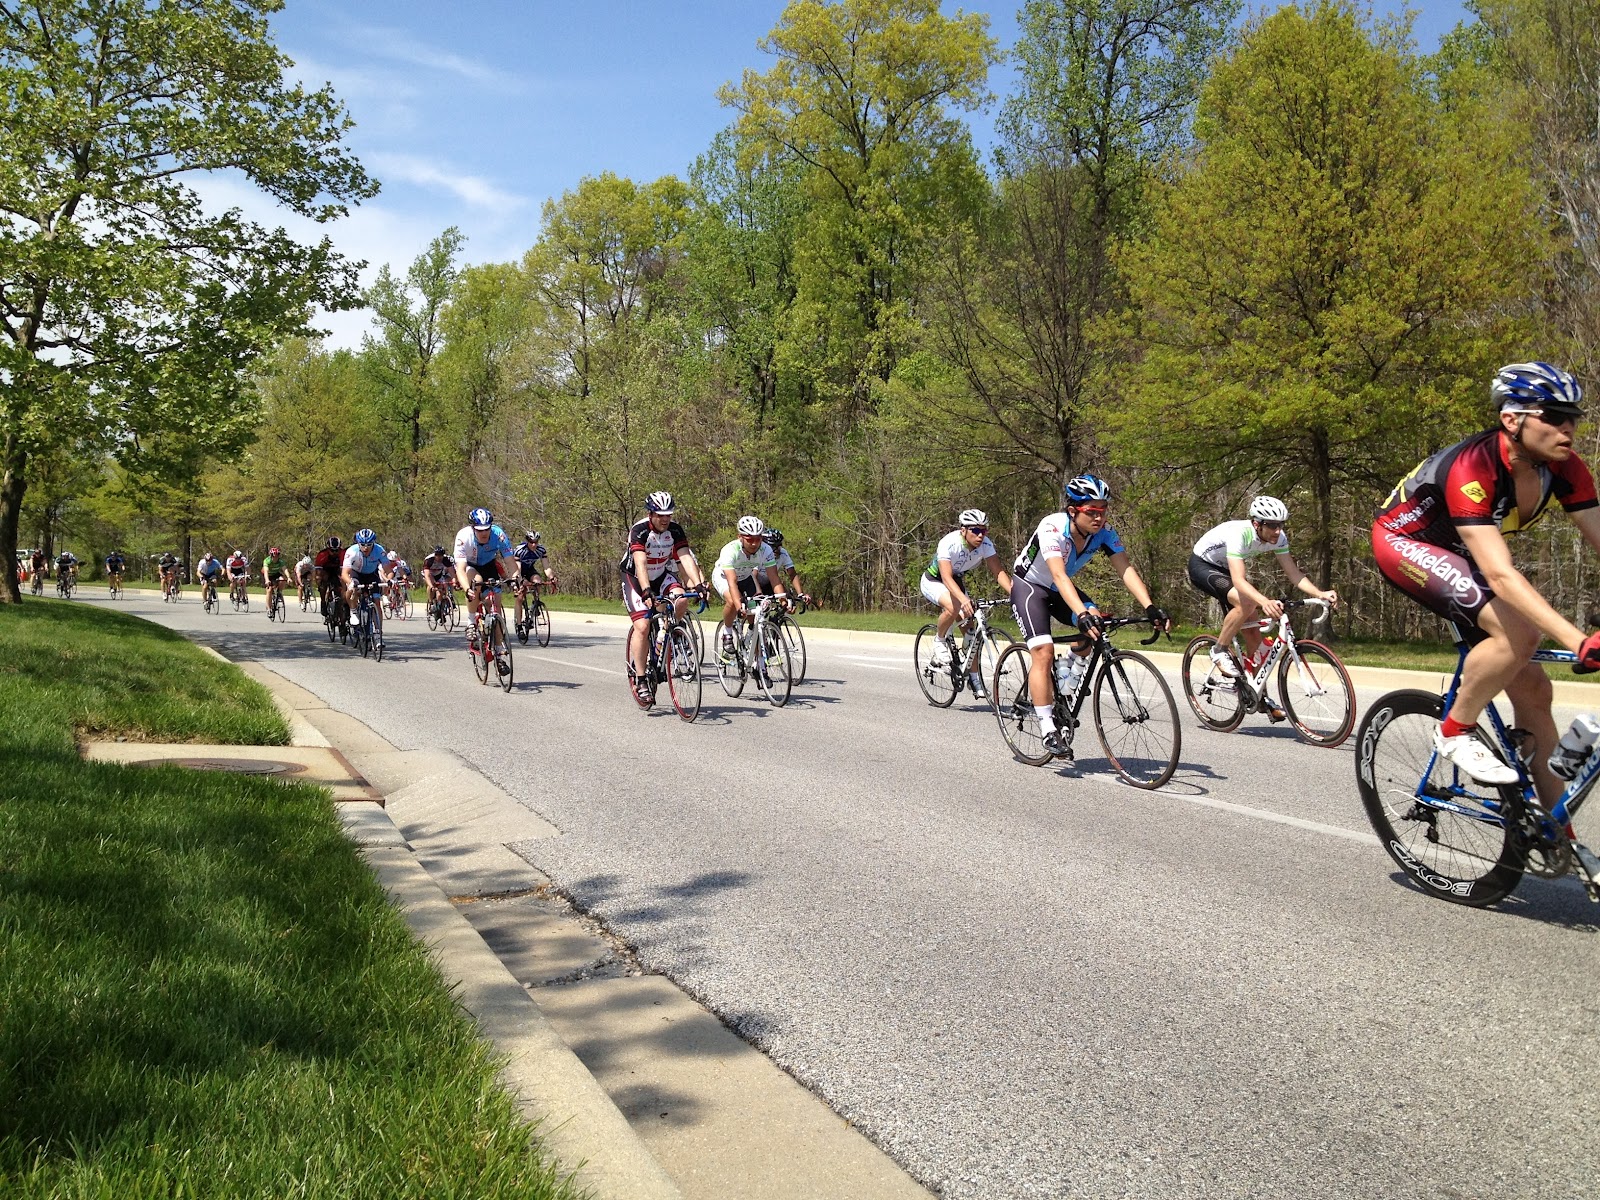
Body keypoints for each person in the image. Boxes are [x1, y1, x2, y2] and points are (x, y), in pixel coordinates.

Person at [1372, 361, 1600, 794]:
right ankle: (1454, 730)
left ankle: (1553, 829)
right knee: (1519, 635)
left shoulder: (1566, 468)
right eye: (1553, 416)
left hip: (1464, 551)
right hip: (1405, 543)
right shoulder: (1473, 465)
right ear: (1511, 419)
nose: (1567, 428)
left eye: (1573, 417)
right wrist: (1578, 641)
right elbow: (1499, 573)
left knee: (1535, 691)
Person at [1010, 474, 1172, 758]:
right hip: (1030, 587)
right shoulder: (1052, 528)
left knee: (1097, 623)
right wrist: (1080, 612)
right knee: (1043, 652)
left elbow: (1125, 569)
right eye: (1092, 511)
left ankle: (1068, 672)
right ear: (1073, 510)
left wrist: (1150, 607)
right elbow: (1058, 575)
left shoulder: (1104, 533)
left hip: (1059, 588)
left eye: (1103, 510)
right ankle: (1048, 729)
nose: (1099, 517)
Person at [1188, 497, 1339, 720]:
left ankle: (1259, 696)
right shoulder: (1239, 534)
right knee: (1247, 602)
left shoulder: (1278, 538)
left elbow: (1294, 573)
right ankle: (1219, 650)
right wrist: (1265, 602)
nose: (1278, 531)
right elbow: (1239, 581)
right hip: (1203, 566)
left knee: (1255, 638)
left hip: (1226, 569)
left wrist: (1319, 593)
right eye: (1272, 525)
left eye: (1281, 525)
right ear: (1257, 524)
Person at [619, 490, 708, 704]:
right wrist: (646, 590)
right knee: (642, 626)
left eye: (668, 514)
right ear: (650, 514)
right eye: (660, 515)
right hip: (635, 577)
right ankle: (641, 679)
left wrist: (698, 584)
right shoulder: (640, 530)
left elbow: (685, 558)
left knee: (681, 600)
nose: (665, 519)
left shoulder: (675, 530)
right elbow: (640, 563)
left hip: (660, 574)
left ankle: (669, 633)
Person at [920, 508, 1013, 700]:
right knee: (954, 607)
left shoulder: (986, 544)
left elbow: (998, 572)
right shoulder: (949, 543)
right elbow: (946, 577)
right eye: (975, 530)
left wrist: (1016, 594)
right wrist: (963, 599)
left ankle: (974, 678)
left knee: (971, 630)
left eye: (984, 530)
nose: (980, 535)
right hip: (934, 580)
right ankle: (939, 640)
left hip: (957, 581)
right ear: (963, 530)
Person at [712, 516, 790, 662]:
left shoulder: (766, 550)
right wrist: (739, 606)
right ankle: (727, 633)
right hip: (724, 577)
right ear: (740, 537)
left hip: (746, 576)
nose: (754, 543)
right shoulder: (730, 550)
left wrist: (783, 600)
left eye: (758, 539)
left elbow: (774, 578)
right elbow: (732, 582)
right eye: (750, 539)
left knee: (757, 615)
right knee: (732, 602)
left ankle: (757, 660)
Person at [452, 507, 513, 641]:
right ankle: (471, 622)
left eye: (487, 529)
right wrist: (466, 589)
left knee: (495, 607)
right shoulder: (463, 537)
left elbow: (510, 561)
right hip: (470, 565)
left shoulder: (499, 535)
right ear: (473, 528)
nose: (484, 533)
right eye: (480, 530)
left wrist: (515, 580)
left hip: (489, 565)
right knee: (477, 581)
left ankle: (499, 647)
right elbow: (460, 569)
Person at [341, 528, 390, 648]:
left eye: (369, 544)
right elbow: (344, 573)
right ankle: (353, 611)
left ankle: (378, 633)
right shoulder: (352, 551)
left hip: (372, 574)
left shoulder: (379, 550)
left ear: (374, 543)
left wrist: (389, 580)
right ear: (358, 543)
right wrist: (350, 583)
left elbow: (388, 570)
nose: (366, 547)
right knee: (353, 589)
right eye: (362, 544)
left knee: (377, 602)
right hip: (356, 573)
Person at [512, 531, 558, 633]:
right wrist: (521, 581)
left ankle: (535, 604)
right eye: (531, 542)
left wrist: (552, 577)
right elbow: (517, 569)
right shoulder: (520, 550)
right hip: (518, 571)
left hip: (530, 570)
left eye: (536, 542)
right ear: (527, 541)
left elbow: (546, 567)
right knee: (520, 596)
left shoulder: (541, 550)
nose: (534, 544)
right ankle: (519, 626)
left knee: (538, 581)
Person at [757, 528, 812, 605]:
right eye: (773, 547)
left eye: (779, 547)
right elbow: (753, 575)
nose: (777, 550)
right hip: (753, 583)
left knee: (789, 603)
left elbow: (792, 574)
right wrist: (759, 594)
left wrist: (800, 594)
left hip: (769, 583)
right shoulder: (757, 553)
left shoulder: (783, 553)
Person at [313, 536, 343, 616]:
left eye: (337, 550)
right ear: (328, 548)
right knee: (322, 582)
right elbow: (318, 572)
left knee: (342, 582)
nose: (334, 553)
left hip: (337, 570)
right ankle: (323, 602)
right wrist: (319, 582)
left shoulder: (342, 553)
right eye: (332, 550)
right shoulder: (322, 554)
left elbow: (344, 569)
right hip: (325, 570)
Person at [422, 544, 454, 610]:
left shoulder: (446, 559)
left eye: (441, 555)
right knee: (431, 586)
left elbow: (452, 572)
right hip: (429, 574)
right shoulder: (429, 560)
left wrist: (455, 581)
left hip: (438, 574)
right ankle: (431, 602)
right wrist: (431, 586)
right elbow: (427, 575)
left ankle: (439, 606)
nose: (439, 557)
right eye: (437, 555)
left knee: (441, 590)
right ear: (435, 555)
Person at [261, 545, 287, 611]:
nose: (275, 558)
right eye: (274, 556)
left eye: (277, 556)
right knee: (269, 590)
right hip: (267, 575)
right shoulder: (267, 561)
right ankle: (269, 608)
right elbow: (266, 571)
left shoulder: (280, 561)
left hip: (275, 574)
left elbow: (285, 569)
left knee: (283, 579)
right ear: (271, 556)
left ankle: (279, 592)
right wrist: (267, 580)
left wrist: (289, 577)